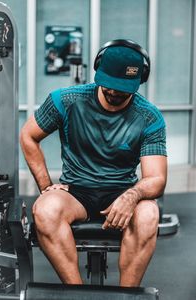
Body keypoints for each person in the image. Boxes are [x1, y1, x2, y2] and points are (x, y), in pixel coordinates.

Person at [20, 39, 167, 287]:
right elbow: (29, 136)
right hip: (76, 193)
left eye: (123, 89)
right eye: (108, 85)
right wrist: (46, 186)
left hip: (122, 191)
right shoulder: (66, 101)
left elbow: (156, 179)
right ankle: (77, 293)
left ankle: (126, 296)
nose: (114, 93)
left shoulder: (149, 117)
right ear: (98, 72)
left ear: (138, 82)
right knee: (44, 209)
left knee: (148, 214)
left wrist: (131, 197)